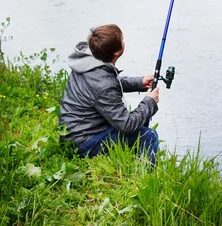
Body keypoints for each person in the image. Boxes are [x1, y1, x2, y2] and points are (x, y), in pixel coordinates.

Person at [59, 24, 160, 165]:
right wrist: (150, 101)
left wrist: (139, 82)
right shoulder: (103, 83)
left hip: (73, 131)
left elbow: (107, 85)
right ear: (117, 52)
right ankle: (146, 178)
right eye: (122, 40)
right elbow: (127, 124)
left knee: (138, 123)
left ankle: (131, 160)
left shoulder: (88, 59)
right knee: (149, 136)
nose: (124, 41)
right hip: (83, 142)